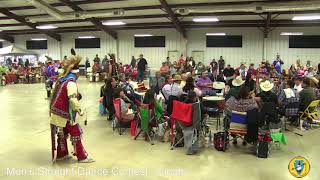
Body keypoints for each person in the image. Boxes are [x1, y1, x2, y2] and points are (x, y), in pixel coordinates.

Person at [49, 49, 94, 163]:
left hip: (55, 112)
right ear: (77, 73)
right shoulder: (71, 83)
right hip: (66, 114)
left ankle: (61, 154)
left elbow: (53, 94)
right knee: (76, 133)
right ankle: (82, 156)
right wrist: (80, 110)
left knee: (62, 133)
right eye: (79, 73)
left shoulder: (61, 80)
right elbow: (73, 100)